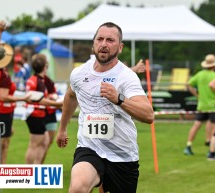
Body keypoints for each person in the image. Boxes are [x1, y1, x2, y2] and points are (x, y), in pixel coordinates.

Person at [56, 22, 154, 193]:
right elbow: (71, 96)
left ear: (120, 47)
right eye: (100, 39)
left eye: (110, 40)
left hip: (122, 154)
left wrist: (119, 99)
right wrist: (62, 128)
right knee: (78, 188)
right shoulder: (79, 74)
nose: (104, 44)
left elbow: (148, 115)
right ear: (93, 44)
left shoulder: (127, 77)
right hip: (89, 147)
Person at [0, 21, 31, 164]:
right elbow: (4, 97)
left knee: (4, 143)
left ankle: (1, 170)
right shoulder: (3, 76)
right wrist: (24, 98)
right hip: (2, 111)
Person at [24, 53, 63, 164]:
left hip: (35, 114)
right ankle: (30, 170)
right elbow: (40, 100)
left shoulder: (35, 79)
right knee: (34, 145)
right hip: (35, 114)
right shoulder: (40, 82)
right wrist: (58, 104)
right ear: (45, 66)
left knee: (45, 141)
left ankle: (37, 167)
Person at [183, 54, 215, 155]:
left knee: (196, 126)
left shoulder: (199, 74)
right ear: (214, 65)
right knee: (214, 127)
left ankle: (188, 145)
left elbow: (189, 84)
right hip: (213, 105)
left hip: (202, 105)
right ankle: (212, 150)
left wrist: (197, 95)